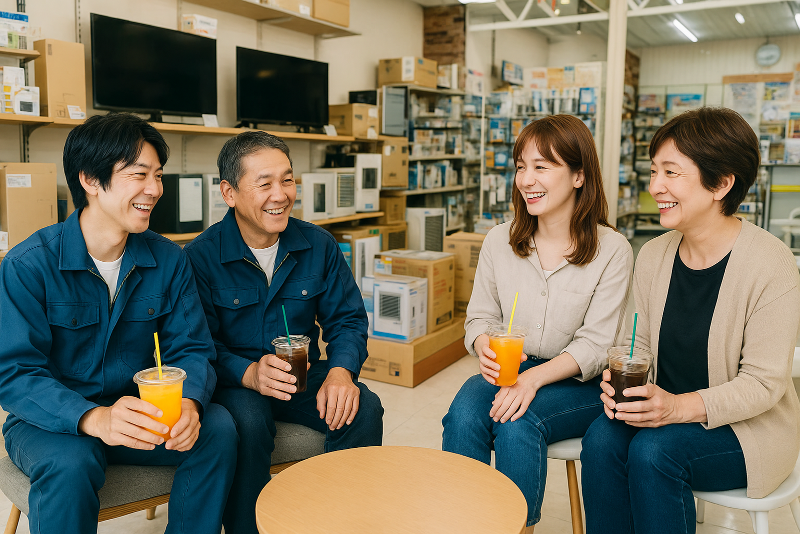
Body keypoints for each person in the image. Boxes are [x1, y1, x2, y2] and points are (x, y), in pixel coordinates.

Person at [0, 113, 237, 534]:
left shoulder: (169, 259)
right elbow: (14, 373)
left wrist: (190, 403)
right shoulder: (28, 264)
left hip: (140, 412)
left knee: (217, 426)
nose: (155, 190)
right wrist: (93, 418)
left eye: (159, 176)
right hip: (52, 421)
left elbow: (194, 348)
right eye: (139, 175)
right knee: (72, 461)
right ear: (90, 179)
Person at [580, 107, 800, 534]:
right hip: (662, 416)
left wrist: (679, 406)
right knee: (602, 439)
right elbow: (635, 345)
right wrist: (616, 380)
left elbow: (764, 383)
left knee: (653, 453)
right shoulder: (655, 254)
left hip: (745, 432)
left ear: (721, 183)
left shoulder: (771, 264)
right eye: (654, 170)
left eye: (671, 173)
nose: (655, 186)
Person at [184, 130, 384, 534]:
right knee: (249, 423)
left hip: (300, 375)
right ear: (229, 192)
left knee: (364, 406)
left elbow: (347, 320)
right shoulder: (198, 257)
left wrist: (343, 373)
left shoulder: (319, 245)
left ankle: (337, 520)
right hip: (237, 383)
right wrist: (250, 374)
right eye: (264, 183)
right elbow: (199, 347)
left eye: (287, 180)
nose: (281, 194)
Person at [441, 115, 634, 532]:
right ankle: (462, 521)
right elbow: (478, 318)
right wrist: (484, 347)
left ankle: (517, 527)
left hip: (581, 383)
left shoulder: (612, 250)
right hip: (513, 369)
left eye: (542, 166)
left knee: (517, 421)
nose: (526, 179)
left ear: (579, 175)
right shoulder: (499, 240)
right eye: (520, 166)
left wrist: (533, 380)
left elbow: (599, 344)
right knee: (463, 414)